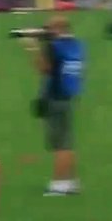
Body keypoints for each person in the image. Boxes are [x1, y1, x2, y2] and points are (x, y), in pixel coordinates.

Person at [25, 16, 82, 196]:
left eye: (49, 28)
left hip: (54, 97)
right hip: (67, 96)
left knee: (60, 145)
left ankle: (59, 184)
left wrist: (33, 48)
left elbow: (44, 69)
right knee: (67, 142)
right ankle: (71, 181)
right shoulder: (75, 45)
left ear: (59, 28)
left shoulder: (53, 46)